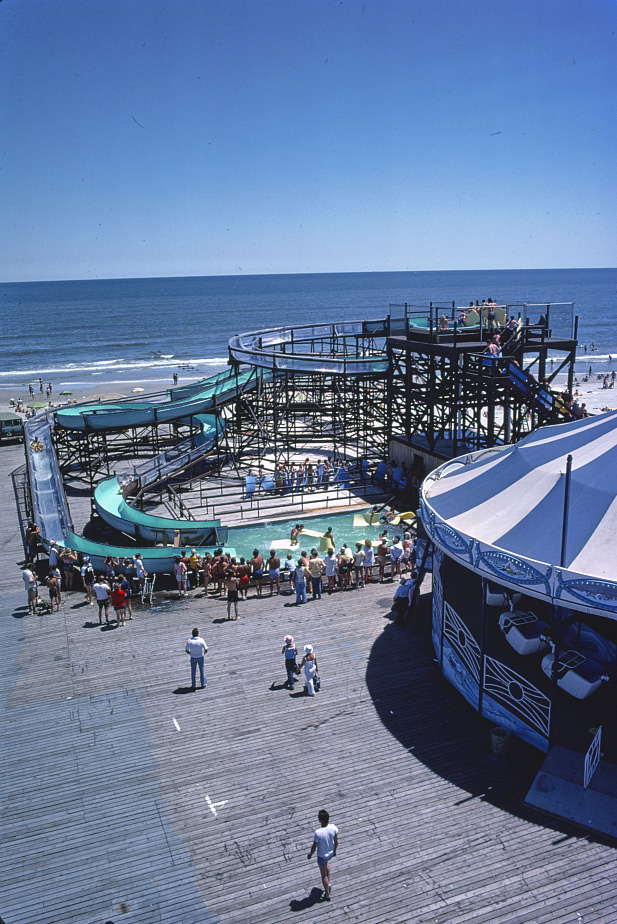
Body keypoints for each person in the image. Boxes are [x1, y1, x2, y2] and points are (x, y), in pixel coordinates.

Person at [308, 809, 338, 902]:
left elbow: (314, 846)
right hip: (330, 853)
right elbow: (336, 841)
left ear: (320, 820)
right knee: (327, 864)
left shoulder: (318, 833)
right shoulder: (333, 828)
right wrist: (334, 851)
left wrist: (310, 854)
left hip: (322, 856)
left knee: (323, 875)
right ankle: (328, 884)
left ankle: (327, 894)